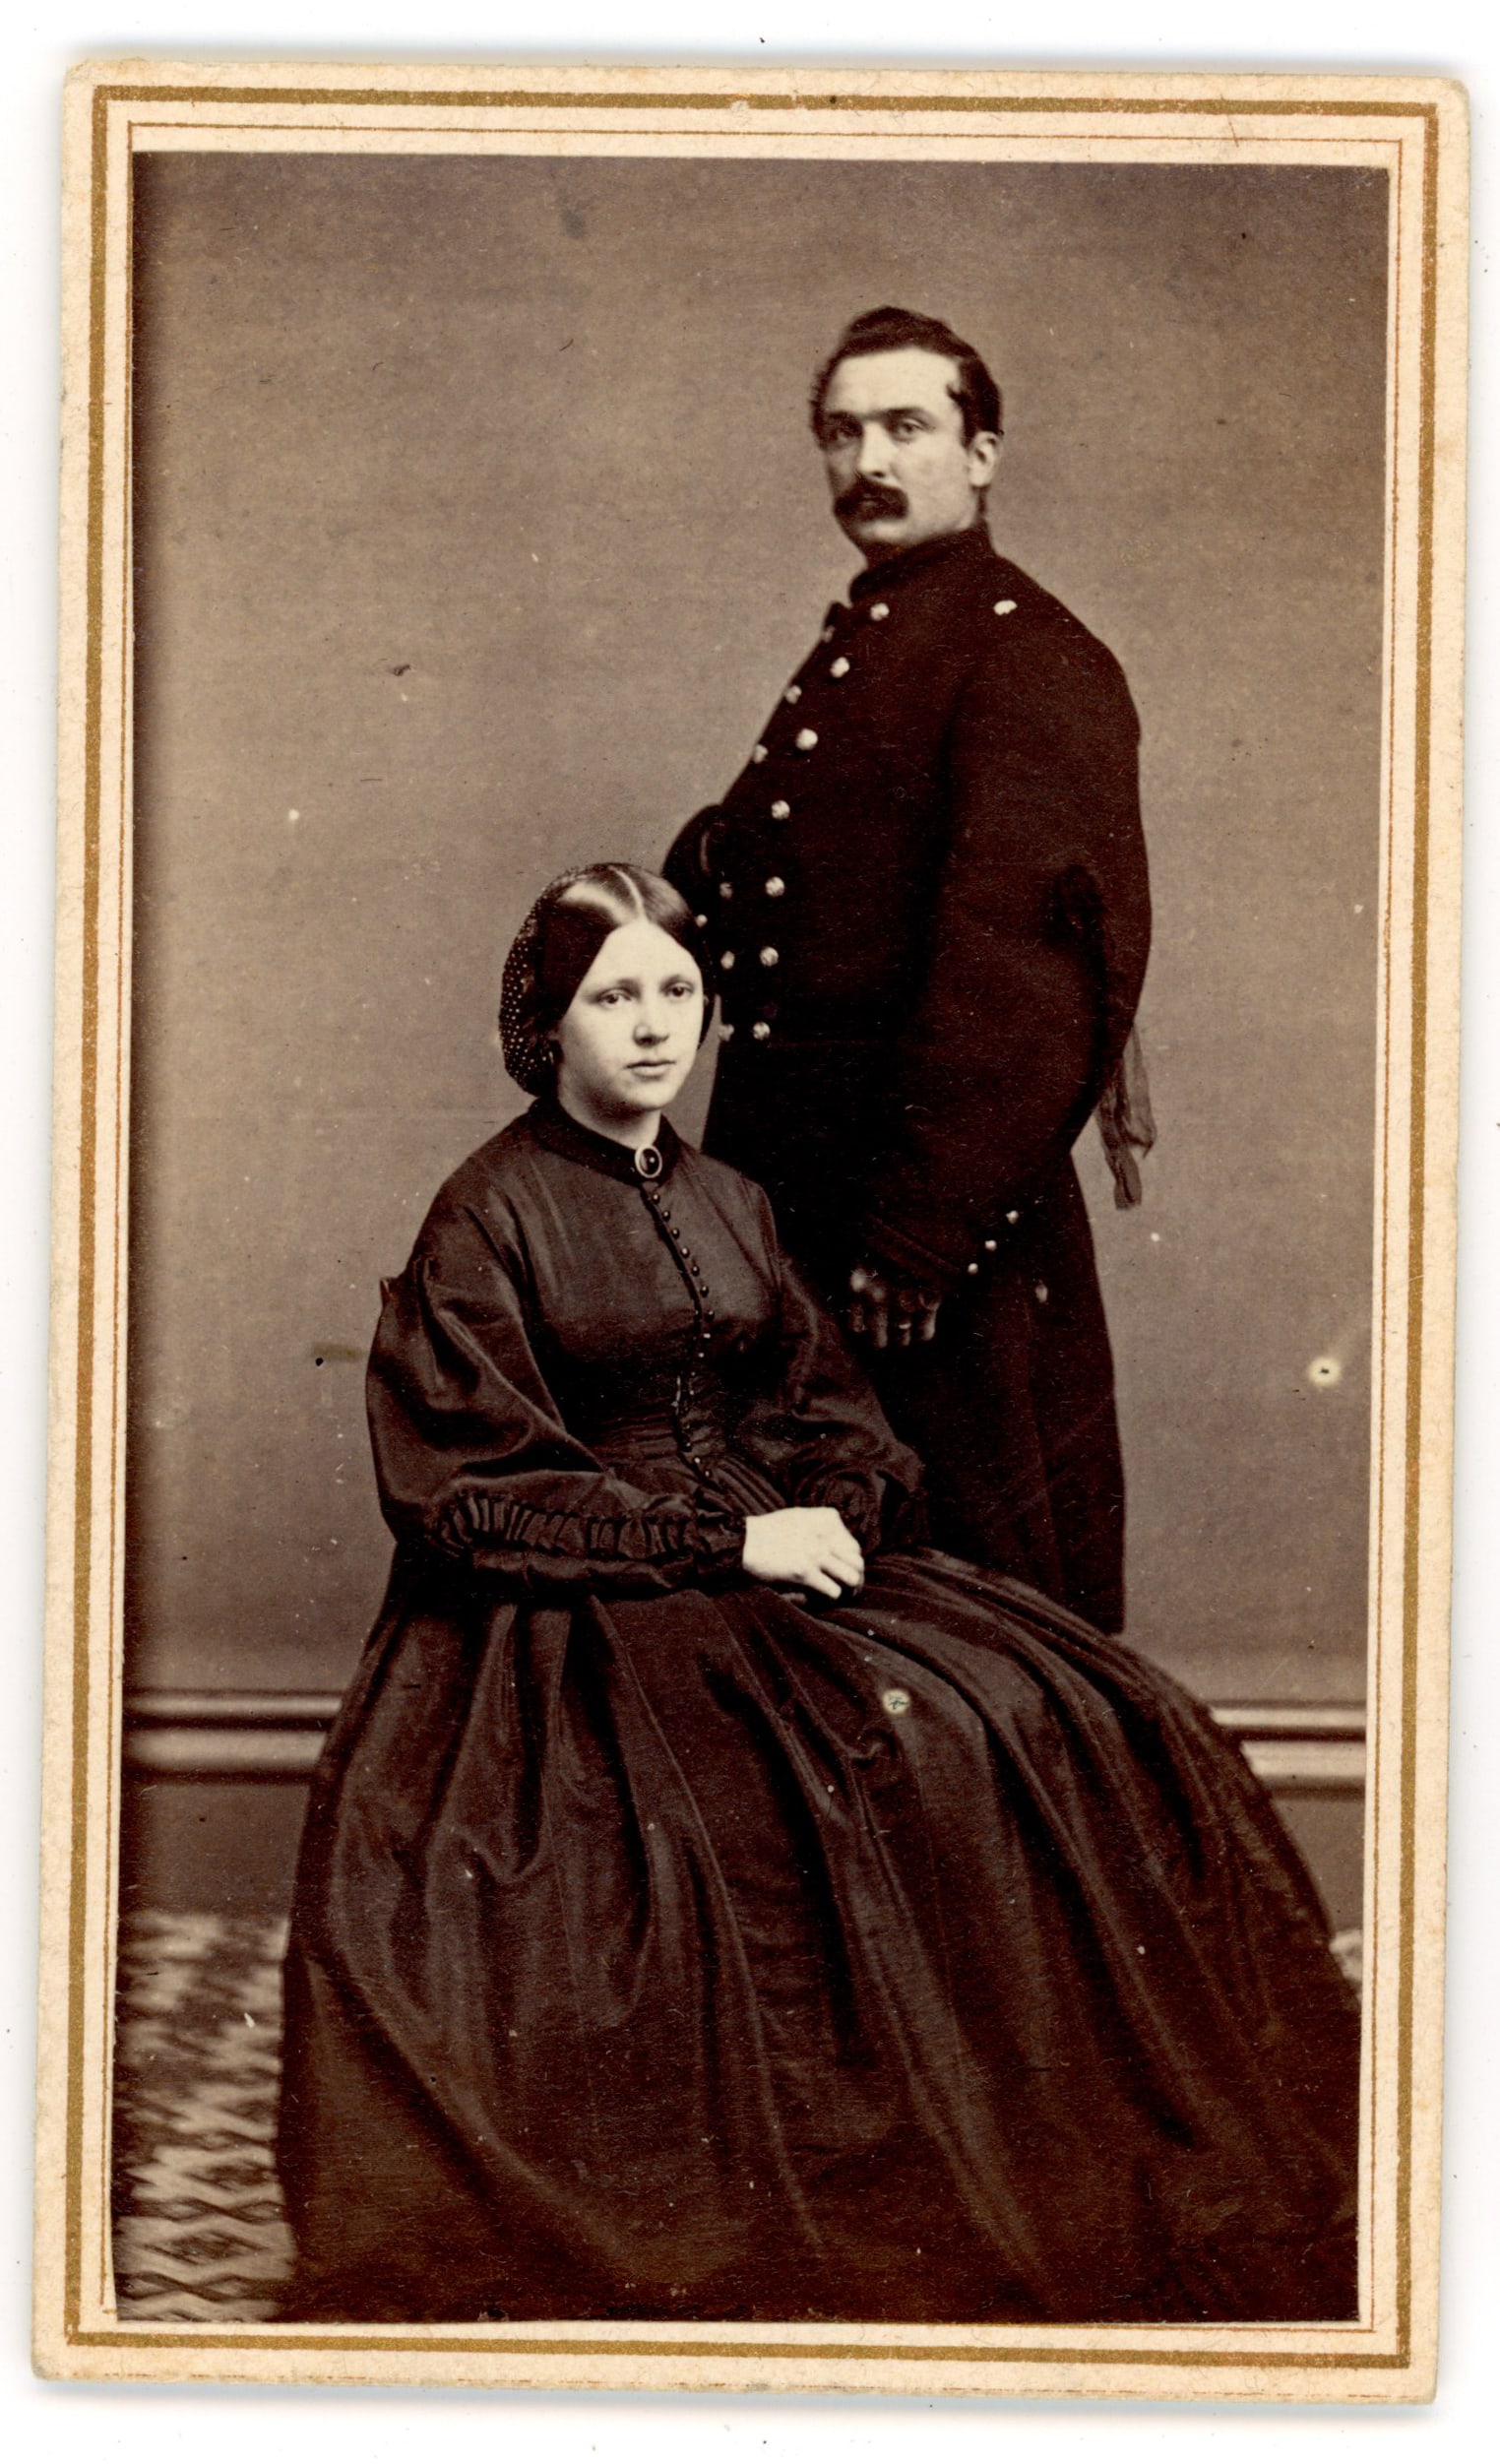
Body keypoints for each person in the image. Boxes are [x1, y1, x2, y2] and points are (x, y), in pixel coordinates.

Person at [276, 862, 1356, 2329]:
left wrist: (822, 1510)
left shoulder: (731, 1200)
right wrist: (723, 1548)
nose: (651, 1028)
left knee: (1059, 1705)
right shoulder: (488, 1215)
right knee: (724, 1817)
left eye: (676, 992)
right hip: (566, 1609)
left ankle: (1039, 2133)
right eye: (613, 998)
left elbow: (824, 1404)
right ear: (549, 1025)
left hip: (767, 1547)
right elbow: (466, 1485)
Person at [665, 305, 1153, 1635]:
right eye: (842, 431)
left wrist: (919, 1241)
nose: (867, 459)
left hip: (924, 1237)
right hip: (793, 1204)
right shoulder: (873, 641)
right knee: (815, 1603)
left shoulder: (1020, 653)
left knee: (961, 1612)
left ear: (982, 451)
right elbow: (761, 880)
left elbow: (1023, 985)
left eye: (906, 427)